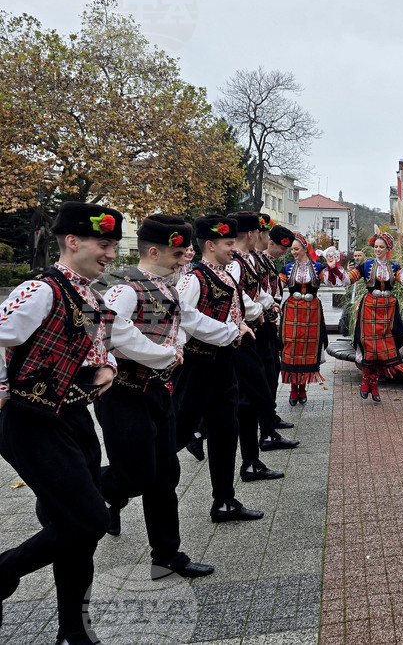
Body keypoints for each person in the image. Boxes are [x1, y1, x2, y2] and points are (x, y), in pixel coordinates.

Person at [0, 201, 122, 645]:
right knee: (88, 521)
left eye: (113, 245)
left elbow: (96, 344)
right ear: (72, 241)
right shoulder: (44, 289)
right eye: (103, 244)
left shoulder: (88, 293)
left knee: (76, 534)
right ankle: (3, 571)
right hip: (33, 420)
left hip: (73, 417)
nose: (110, 253)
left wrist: (107, 365)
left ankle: (74, 631)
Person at [98, 215, 219, 580]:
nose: (186, 260)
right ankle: (92, 491)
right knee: (137, 474)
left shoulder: (167, 285)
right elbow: (112, 334)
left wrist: (175, 347)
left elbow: (176, 327)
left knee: (165, 474)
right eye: (179, 254)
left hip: (157, 392)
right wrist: (165, 355)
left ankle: (167, 555)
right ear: (154, 251)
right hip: (123, 394)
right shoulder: (123, 288)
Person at [173, 215, 271, 523]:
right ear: (210, 244)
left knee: (226, 432)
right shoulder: (193, 279)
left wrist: (240, 322)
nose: (234, 248)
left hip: (223, 364)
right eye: (228, 244)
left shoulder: (226, 275)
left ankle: (224, 500)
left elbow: (234, 308)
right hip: (198, 366)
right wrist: (230, 331)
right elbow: (184, 321)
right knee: (174, 434)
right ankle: (117, 488)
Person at [227, 211, 299, 462]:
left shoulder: (252, 260)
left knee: (267, 379)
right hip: (248, 329)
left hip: (259, 324)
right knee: (254, 389)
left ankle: (266, 430)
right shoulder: (238, 261)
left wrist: (268, 305)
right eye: (264, 233)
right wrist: (261, 309)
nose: (264, 236)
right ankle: (198, 430)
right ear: (255, 234)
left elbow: (258, 290)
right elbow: (239, 295)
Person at [327, 232, 403, 402]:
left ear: (388, 248)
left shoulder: (394, 267)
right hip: (370, 308)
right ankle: (368, 382)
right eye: (376, 247)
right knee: (369, 347)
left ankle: (374, 384)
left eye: (381, 247)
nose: (378, 250)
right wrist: (334, 267)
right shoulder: (365, 266)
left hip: (388, 309)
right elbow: (347, 280)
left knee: (382, 348)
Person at [279, 232, 333, 404]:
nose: (293, 252)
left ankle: (303, 389)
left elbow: (331, 281)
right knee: (291, 346)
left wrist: (332, 267)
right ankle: (293, 390)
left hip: (312, 312)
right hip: (292, 311)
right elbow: (277, 286)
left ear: (304, 248)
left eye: (296, 249)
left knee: (308, 348)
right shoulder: (286, 269)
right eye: (292, 249)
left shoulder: (318, 268)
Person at [254, 218, 294, 429]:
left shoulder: (268, 263)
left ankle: (270, 416)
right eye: (282, 248)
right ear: (271, 243)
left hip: (270, 323)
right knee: (266, 372)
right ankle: (265, 422)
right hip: (260, 324)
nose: (284, 253)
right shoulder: (257, 263)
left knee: (273, 372)